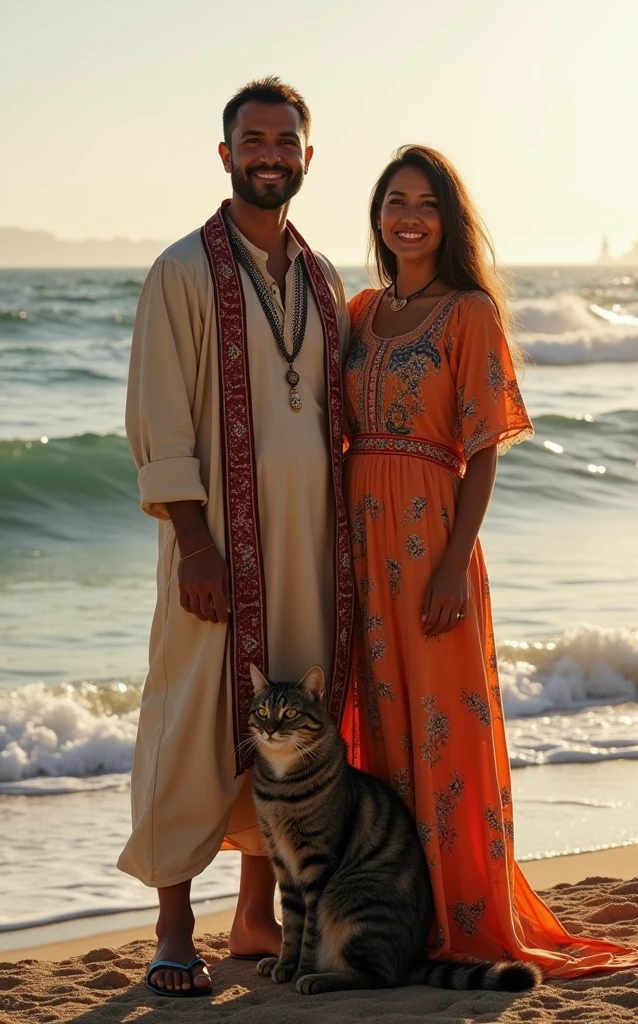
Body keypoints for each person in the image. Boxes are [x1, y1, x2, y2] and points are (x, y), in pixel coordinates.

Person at [341, 144, 638, 977]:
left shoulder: (468, 313)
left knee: (442, 733)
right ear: (378, 215)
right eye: (396, 200)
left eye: (427, 202)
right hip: (357, 544)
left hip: (432, 540)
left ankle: (463, 917)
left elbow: (483, 449)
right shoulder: (356, 311)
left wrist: (455, 562)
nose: (410, 215)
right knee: (382, 736)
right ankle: (395, 917)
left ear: (448, 220)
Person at [120, 77, 353, 996]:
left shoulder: (325, 276)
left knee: (288, 735)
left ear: (306, 156)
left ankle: (255, 917)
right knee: (186, 724)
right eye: (253, 140)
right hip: (221, 547)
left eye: (284, 141)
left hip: (311, 550)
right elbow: (159, 420)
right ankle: (175, 928)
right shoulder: (182, 269)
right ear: (226, 156)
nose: (270, 154)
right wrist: (196, 542)